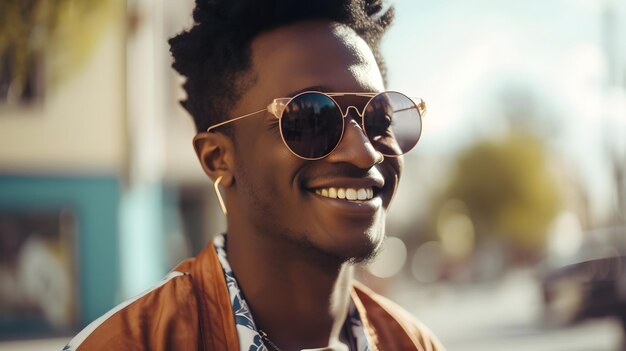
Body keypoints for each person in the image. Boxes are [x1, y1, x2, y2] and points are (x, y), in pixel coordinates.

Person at [64, 0, 444, 350]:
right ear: (218, 158)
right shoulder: (126, 344)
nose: (364, 152)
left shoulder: (413, 343)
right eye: (311, 117)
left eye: (380, 118)